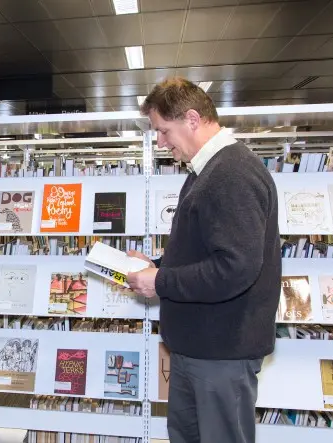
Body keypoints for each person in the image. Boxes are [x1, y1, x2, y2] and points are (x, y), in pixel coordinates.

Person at [127, 78, 281, 443]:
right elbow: (205, 250)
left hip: (221, 352)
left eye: (164, 131)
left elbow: (235, 267)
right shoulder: (207, 171)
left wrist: (159, 282)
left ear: (192, 119)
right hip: (200, 348)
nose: (161, 143)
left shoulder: (231, 174)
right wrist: (156, 264)